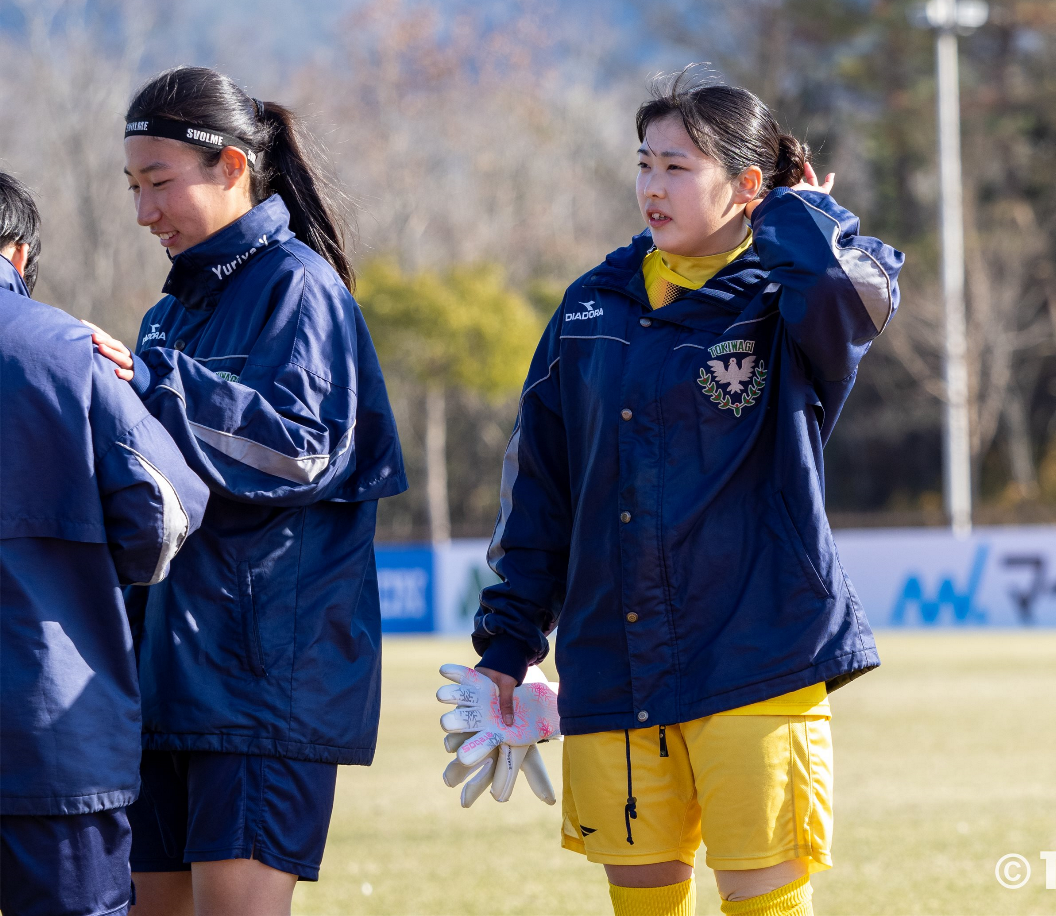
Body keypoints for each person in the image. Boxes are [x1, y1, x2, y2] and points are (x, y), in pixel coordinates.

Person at [468, 70, 903, 916]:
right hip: (613, 666)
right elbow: (541, 494)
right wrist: (505, 648)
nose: (651, 187)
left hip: (760, 657)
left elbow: (858, 293)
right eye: (644, 164)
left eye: (677, 167)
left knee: (763, 902)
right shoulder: (591, 306)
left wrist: (796, 212)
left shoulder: (789, 298)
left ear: (745, 187)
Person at [87, 67, 407, 915]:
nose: (143, 211)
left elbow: (301, 451)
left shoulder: (300, 287)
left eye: (159, 183)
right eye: (132, 186)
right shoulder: (168, 315)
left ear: (232, 167)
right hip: (163, 685)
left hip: (262, 687)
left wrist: (153, 381)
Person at [1, 171, 209, 916]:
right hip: (52, 726)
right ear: (19, 254)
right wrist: (88, 573)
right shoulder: (66, 348)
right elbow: (166, 510)